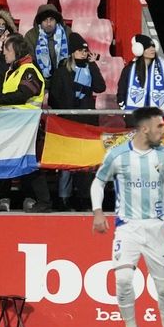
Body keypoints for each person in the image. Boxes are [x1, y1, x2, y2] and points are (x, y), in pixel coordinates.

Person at [92, 106, 164, 327]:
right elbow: (99, 181)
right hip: (128, 227)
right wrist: (98, 212)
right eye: (160, 126)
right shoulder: (117, 156)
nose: (163, 130)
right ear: (144, 128)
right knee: (123, 280)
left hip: (157, 228)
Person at [0, 34, 51, 213]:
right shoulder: (13, 70)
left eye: (7, 49)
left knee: (26, 163)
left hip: (26, 126)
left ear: (16, 51)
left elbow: (23, 94)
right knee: (8, 162)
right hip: (14, 125)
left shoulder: (29, 70)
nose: (3, 52)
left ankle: (44, 202)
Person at [49, 33, 107, 209]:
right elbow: (53, 99)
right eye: (80, 50)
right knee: (67, 165)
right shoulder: (62, 71)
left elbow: (100, 87)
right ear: (72, 52)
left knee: (86, 164)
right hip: (68, 124)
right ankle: (63, 199)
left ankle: (84, 198)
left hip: (87, 122)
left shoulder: (89, 69)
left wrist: (92, 63)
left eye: (85, 50)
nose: (83, 53)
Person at [118, 35, 164, 111]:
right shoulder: (129, 69)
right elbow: (121, 92)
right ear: (139, 49)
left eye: (153, 46)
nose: (152, 49)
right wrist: (125, 111)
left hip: (160, 118)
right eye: (148, 47)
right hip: (135, 117)